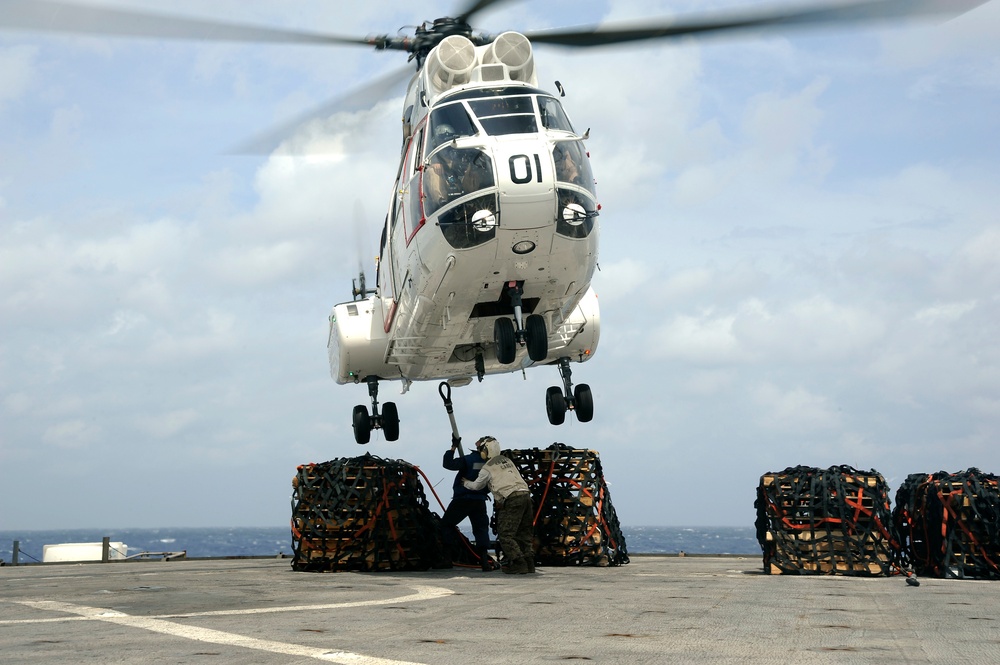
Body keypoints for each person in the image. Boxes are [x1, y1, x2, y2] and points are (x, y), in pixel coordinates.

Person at [462, 436, 535, 574]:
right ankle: (529, 564)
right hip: (526, 496)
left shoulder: (487, 468)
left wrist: (465, 483)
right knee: (524, 533)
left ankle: (519, 563)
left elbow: (477, 486)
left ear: (486, 451)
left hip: (512, 499)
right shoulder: (507, 461)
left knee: (506, 535)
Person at [442, 439, 494, 572]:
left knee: (446, 525)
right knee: (481, 529)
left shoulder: (469, 459)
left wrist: (453, 447)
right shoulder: (490, 464)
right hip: (479, 501)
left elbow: (448, 464)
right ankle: (484, 562)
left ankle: (447, 559)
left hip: (463, 499)